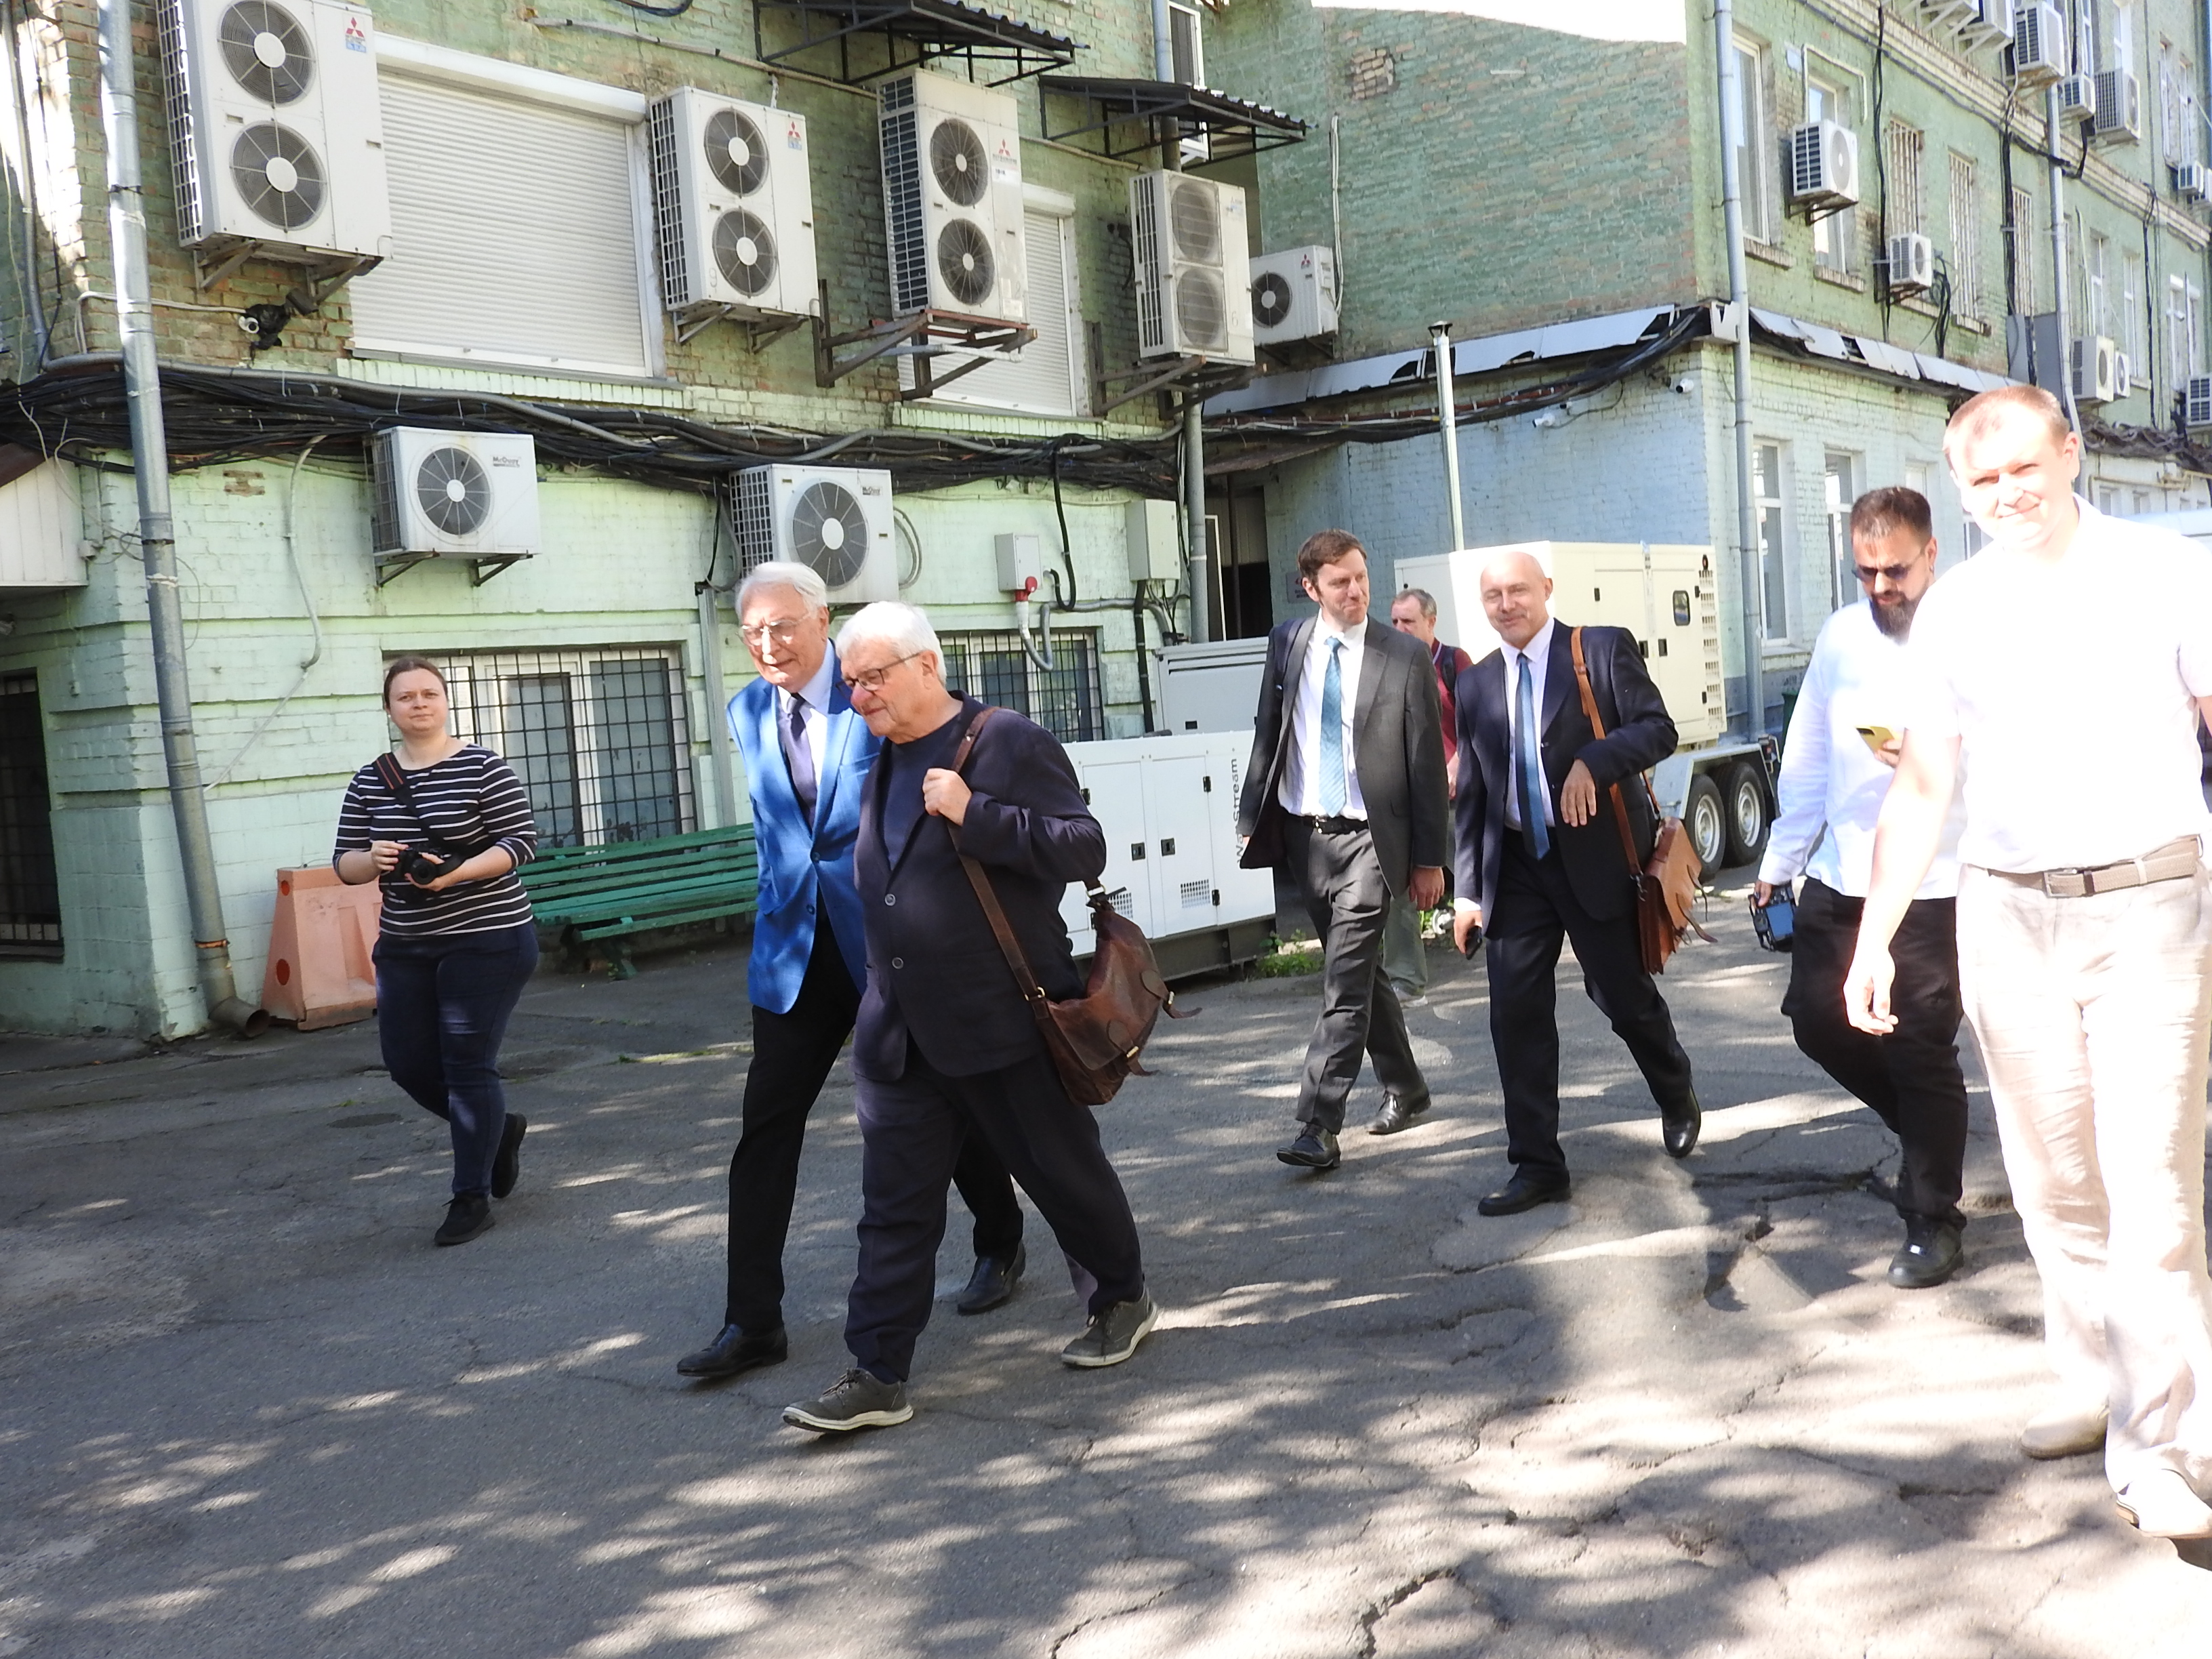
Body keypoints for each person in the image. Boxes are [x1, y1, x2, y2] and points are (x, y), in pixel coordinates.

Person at [1844, 384, 2212, 1541]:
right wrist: (1871, 936)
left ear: (2070, 453)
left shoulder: (2163, 572)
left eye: (2023, 466)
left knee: (2151, 1187)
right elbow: (1922, 785)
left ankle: (2158, 1442)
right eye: (1983, 479)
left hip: (2149, 904)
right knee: (2056, 1185)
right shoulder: (1954, 609)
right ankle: (2096, 1381)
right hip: (2007, 916)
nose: (2008, 493)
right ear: (1960, 492)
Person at [781, 603, 1155, 1434]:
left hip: (1002, 1018)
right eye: (851, 682)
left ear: (927, 665)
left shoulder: (1005, 741)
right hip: (899, 1030)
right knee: (893, 1207)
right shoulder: (878, 755)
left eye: (873, 677)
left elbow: (1082, 846)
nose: (860, 695)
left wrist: (973, 812)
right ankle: (877, 1372)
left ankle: (1122, 1296)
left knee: (1060, 1171)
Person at [677, 565, 1029, 1383]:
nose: (769, 644)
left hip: (886, 944)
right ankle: (752, 1320)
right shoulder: (746, 710)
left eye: (783, 625)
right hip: (792, 955)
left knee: (942, 1098)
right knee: (766, 1127)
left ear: (822, 619)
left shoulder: (871, 693)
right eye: (753, 631)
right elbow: (777, 829)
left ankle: (1000, 1238)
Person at [1755, 488, 1971, 1290]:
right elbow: (1809, 752)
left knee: (1918, 1046)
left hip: (1936, 881)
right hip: (1843, 872)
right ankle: (1927, 1134)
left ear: (1931, 554)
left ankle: (1932, 1218)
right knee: (1818, 1023)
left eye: (1895, 571)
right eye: (1865, 573)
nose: (1881, 588)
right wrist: (1780, 860)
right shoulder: (1842, 635)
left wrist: (1936, 756)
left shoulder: (1971, 632)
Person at [1450, 550, 1700, 1216]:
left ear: (1547, 589)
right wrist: (1467, 894)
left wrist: (1594, 760)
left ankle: (1675, 1089)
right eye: (1494, 596)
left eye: (1519, 591)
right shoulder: (1475, 685)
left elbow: (1658, 730)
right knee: (1516, 1015)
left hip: (1592, 859)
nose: (1508, 605)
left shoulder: (1600, 649)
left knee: (1622, 996)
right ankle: (1537, 1166)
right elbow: (1472, 794)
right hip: (1516, 867)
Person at [1237, 531, 1450, 1171]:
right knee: (1357, 974)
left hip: (1372, 839)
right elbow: (1269, 731)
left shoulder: (1404, 654)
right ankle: (1407, 1086)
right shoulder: (1288, 642)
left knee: (1342, 982)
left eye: (1361, 577)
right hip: (1307, 838)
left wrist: (1429, 859)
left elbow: (1426, 762)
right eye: (1340, 582)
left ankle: (1319, 1122)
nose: (1356, 591)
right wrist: (1250, 813)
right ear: (1311, 588)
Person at [333, 657, 540, 1248]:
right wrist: (372, 859)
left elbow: (521, 843)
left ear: (445, 702)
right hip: (405, 943)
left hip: (489, 936)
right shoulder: (370, 780)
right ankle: (498, 1129)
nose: (418, 704)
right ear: (389, 709)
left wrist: (455, 873)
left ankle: (471, 1197)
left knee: (467, 1064)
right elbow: (344, 863)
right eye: (406, 697)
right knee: (409, 1066)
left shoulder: (483, 767)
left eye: (429, 693)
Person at [1382, 588, 1476, 1004]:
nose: (1399, 629)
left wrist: (1457, 764)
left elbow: (1479, 722)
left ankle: (1501, 947)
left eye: (1408, 621)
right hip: (1407, 796)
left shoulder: (1454, 663)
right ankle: (1406, 979)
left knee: (1473, 874)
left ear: (1431, 622)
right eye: (1395, 621)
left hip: (1456, 795)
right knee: (1399, 882)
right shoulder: (1389, 665)